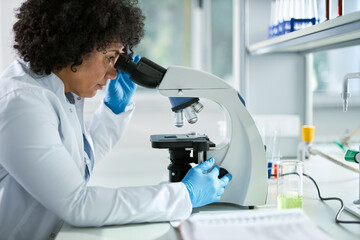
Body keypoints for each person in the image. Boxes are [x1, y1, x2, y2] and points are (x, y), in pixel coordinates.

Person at [0, 0, 232, 239]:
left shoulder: (58, 90)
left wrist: (114, 111)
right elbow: (79, 204)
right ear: (74, 47)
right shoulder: (21, 102)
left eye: (118, 60)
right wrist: (185, 194)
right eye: (110, 57)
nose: (113, 73)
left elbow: (77, 163)